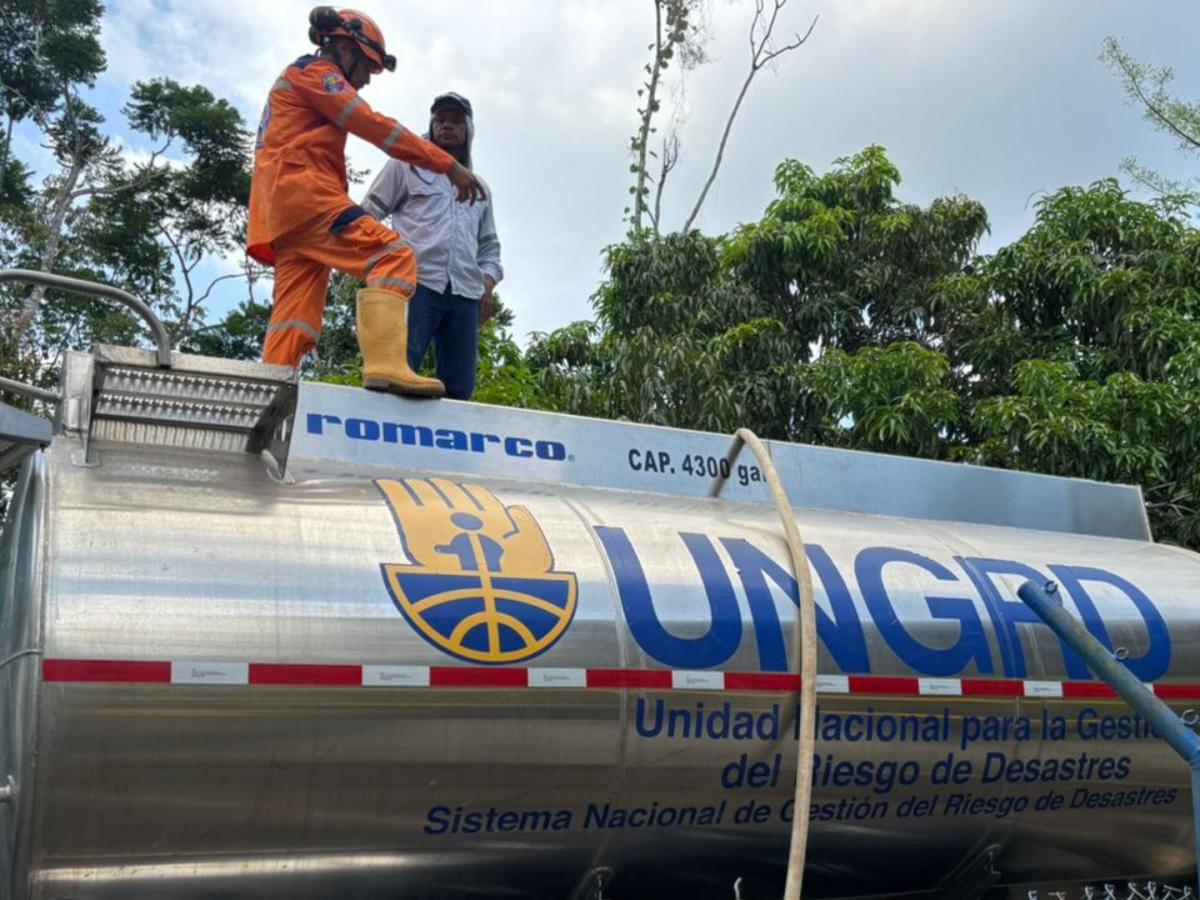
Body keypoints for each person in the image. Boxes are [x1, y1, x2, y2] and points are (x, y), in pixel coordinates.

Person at [247, 7, 485, 397]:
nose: (366, 81)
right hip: (307, 198)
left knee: (295, 318)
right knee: (394, 255)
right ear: (345, 48)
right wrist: (446, 165)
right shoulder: (316, 74)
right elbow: (371, 125)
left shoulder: (297, 80)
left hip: (283, 215)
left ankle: (269, 391)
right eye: (368, 68)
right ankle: (387, 366)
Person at [361, 92, 502, 401]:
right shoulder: (404, 166)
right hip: (415, 283)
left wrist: (488, 283)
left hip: (465, 294)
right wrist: (383, 261)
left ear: (468, 130)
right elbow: (368, 214)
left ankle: (446, 448)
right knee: (393, 374)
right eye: (440, 120)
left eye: (455, 120)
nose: (446, 126)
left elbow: (490, 249)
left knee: (460, 390)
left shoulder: (480, 189)